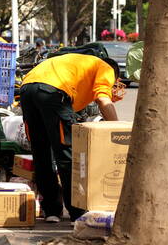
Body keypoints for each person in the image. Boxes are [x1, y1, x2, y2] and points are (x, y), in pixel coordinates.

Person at [20, 54, 123, 223]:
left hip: (27, 89)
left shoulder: (82, 63)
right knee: (67, 155)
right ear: (114, 74)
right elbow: (102, 98)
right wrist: (118, 129)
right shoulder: (106, 68)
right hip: (53, 91)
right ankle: (77, 213)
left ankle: (51, 210)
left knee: (41, 154)